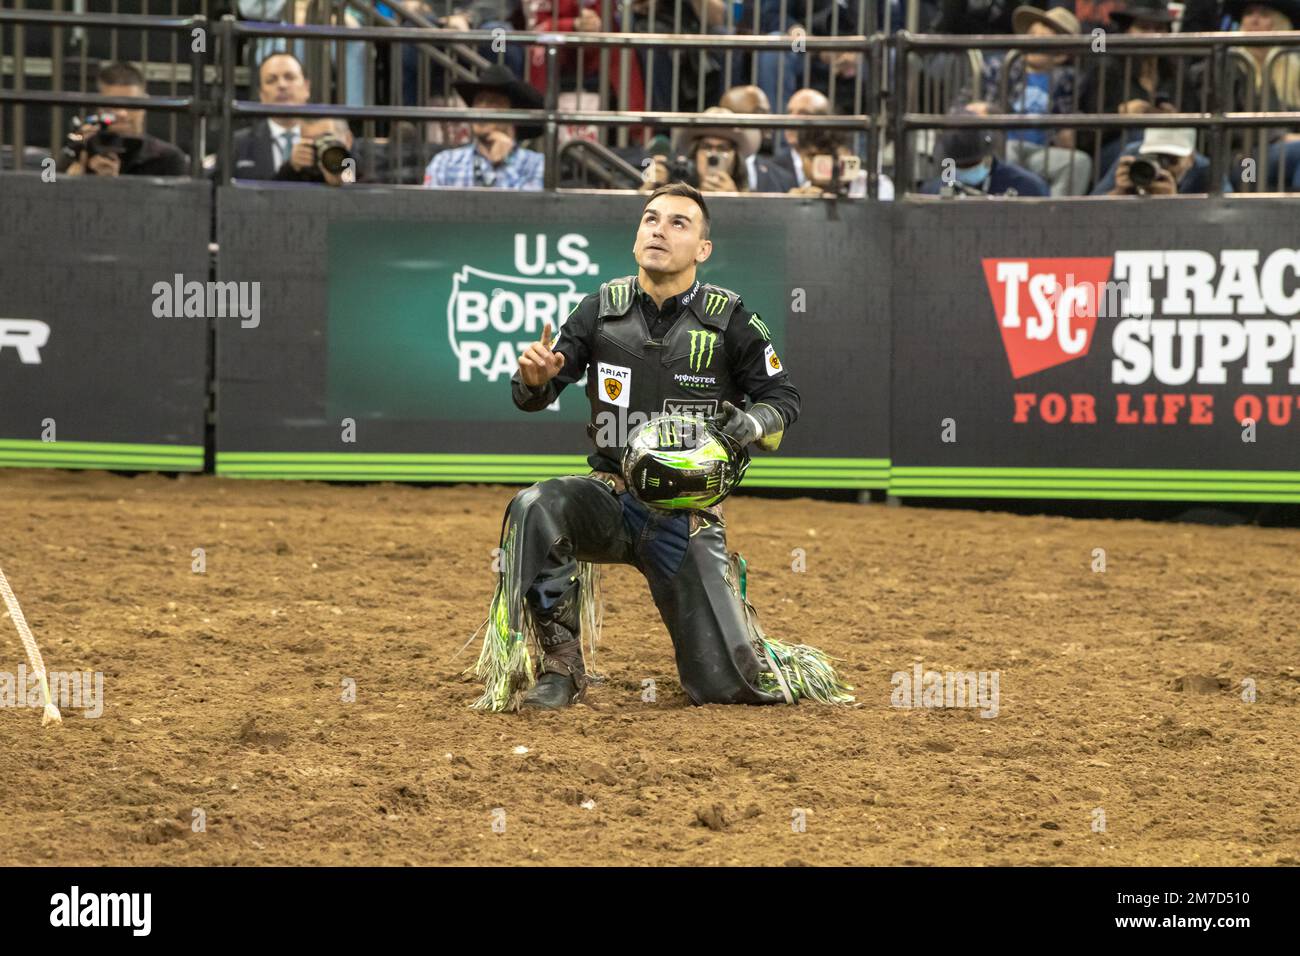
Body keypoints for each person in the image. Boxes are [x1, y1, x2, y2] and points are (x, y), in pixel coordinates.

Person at [473, 182, 848, 711]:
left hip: (683, 516)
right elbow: (533, 394)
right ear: (635, 237)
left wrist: (752, 422)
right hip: (608, 498)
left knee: (725, 690)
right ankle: (561, 668)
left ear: (703, 249)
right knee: (536, 506)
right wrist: (535, 379)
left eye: (678, 223)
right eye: (650, 219)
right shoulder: (599, 309)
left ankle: (758, 659)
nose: (659, 229)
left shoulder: (732, 319)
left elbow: (783, 396)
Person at [964, 5, 1092, 196]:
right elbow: (963, 104)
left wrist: (1069, 130)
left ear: (1060, 55)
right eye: (1032, 36)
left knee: (1079, 162)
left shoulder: (1069, 80)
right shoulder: (999, 67)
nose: (1033, 43)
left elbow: (1070, 118)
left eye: (1043, 41)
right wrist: (976, 110)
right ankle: (1007, 214)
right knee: (1009, 150)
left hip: (1042, 151)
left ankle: (1053, 218)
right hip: (1001, 144)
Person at [422, 65, 545, 189]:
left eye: (493, 102)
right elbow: (427, 207)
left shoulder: (537, 165)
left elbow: (532, 207)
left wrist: (506, 165)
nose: (482, 109)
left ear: (514, 113)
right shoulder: (445, 163)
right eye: (479, 101)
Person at [60, 61, 188, 177]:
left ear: (145, 104)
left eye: (130, 104)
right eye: (113, 105)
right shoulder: (79, 153)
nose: (122, 113)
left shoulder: (168, 159)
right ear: (99, 107)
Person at [640, 107, 791, 193]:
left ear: (736, 157)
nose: (713, 155)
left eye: (722, 148)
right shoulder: (674, 193)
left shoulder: (752, 198)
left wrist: (736, 201)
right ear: (695, 154)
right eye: (706, 147)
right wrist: (650, 188)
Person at [920, 111, 1050, 196]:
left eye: (972, 164)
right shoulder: (933, 192)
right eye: (960, 166)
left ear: (987, 155)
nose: (967, 170)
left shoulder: (1028, 188)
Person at [232, 52, 312, 180]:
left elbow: (351, 180)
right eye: (271, 80)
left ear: (306, 88)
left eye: (289, 77)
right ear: (261, 94)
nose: (282, 85)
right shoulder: (238, 144)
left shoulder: (324, 138)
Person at [1091, 127, 1235, 195]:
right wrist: (1119, 192)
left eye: (1171, 160)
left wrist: (1172, 204)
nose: (1161, 166)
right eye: (1154, 156)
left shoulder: (1207, 171)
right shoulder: (1133, 157)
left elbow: (1227, 219)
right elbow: (1090, 209)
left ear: (1190, 159)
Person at [718, 85, 799, 192]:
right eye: (760, 112)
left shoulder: (783, 179)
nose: (768, 119)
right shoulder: (697, 173)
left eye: (768, 112)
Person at [273, 118, 357, 186]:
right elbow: (271, 199)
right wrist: (291, 167)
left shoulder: (365, 160)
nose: (319, 146)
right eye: (309, 140)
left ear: (348, 140)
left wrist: (345, 181)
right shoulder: (304, 168)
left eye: (326, 139)